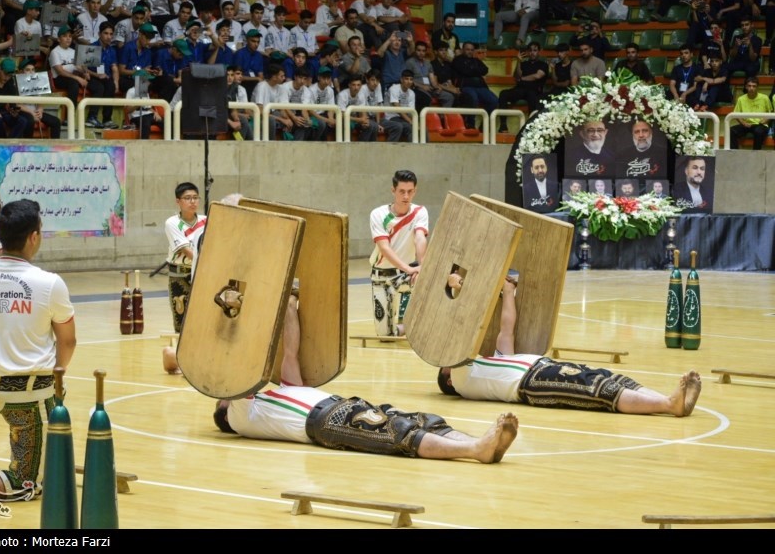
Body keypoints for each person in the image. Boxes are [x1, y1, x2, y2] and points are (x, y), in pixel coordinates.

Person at [204, 293, 519, 464]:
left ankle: (481, 443)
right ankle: (476, 449)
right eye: (224, 398)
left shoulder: (279, 396)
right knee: (400, 435)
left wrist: (288, 304)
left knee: (423, 420)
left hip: (342, 406)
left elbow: (290, 354)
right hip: (324, 422)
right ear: (225, 410)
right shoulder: (241, 416)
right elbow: (237, 372)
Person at [437, 275, 702, 418]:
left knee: (607, 377)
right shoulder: (461, 381)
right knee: (598, 391)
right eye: (444, 367)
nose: (447, 362)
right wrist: (458, 290)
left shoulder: (488, 363)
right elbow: (459, 330)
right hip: (531, 382)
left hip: (543, 366)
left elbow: (507, 329)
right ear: (448, 381)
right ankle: (669, 405)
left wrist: (508, 292)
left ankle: (668, 399)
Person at [0, 199, 77, 502]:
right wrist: (57, 381)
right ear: (34, 236)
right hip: (29, 394)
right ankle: (29, 470)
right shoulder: (49, 283)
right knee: (26, 483)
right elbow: (68, 341)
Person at [369, 170, 428, 337]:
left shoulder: (420, 212)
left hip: (407, 273)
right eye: (402, 191)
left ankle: (419, 321)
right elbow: (384, 248)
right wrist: (409, 269)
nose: (406, 196)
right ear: (393, 190)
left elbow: (420, 238)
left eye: (410, 191)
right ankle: (407, 328)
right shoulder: (378, 214)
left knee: (426, 280)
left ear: (415, 191)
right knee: (386, 335)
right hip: (381, 275)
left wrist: (421, 265)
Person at [164, 182, 206, 333]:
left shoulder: (207, 220)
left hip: (203, 274)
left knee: (203, 319)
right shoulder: (172, 223)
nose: (192, 201)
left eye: (195, 197)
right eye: (187, 198)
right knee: (182, 322)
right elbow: (187, 251)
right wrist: (209, 262)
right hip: (181, 275)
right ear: (178, 201)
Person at [497, 41, 548, 130]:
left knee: (533, 97)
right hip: (520, 89)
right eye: (531, 50)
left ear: (539, 51)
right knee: (503, 94)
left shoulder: (543, 64)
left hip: (534, 90)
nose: (532, 53)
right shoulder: (524, 64)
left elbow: (537, 76)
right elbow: (517, 76)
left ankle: (532, 127)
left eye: (535, 50)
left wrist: (522, 78)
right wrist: (518, 62)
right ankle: (503, 125)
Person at [451, 41, 499, 126]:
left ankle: (484, 125)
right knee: (473, 98)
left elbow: (485, 70)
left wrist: (472, 70)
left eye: (472, 50)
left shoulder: (476, 60)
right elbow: (465, 71)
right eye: (467, 49)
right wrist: (476, 71)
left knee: (494, 100)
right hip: (465, 87)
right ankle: (470, 124)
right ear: (463, 50)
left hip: (481, 87)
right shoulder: (457, 60)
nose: (470, 51)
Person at [729, 76, 773, 150]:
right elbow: (736, 114)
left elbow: (771, 112)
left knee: (758, 131)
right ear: (746, 87)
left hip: (760, 125)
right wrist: (743, 123)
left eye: (754, 86)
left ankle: (756, 154)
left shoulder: (764, 98)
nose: (751, 88)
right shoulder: (741, 99)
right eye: (749, 86)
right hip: (746, 125)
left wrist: (764, 121)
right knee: (731, 130)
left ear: (757, 87)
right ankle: (734, 153)